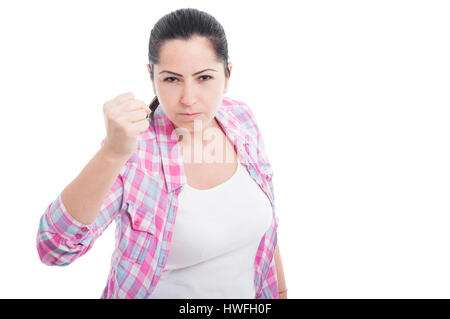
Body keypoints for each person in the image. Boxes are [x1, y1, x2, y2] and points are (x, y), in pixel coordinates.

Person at [36, 7, 287, 299]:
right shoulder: (134, 151)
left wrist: (281, 291)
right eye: (172, 79)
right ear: (151, 76)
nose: (188, 99)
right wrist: (112, 154)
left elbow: (266, 228)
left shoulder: (240, 118)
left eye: (204, 78)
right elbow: (54, 249)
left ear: (227, 74)